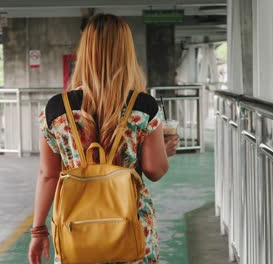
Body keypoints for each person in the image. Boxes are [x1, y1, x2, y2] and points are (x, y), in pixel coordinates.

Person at [29, 14, 179, 264]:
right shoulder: (143, 106)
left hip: (76, 228)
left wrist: (38, 231)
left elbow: (48, 175)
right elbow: (154, 169)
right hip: (131, 227)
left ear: (85, 52)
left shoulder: (57, 109)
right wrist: (165, 150)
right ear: (127, 52)